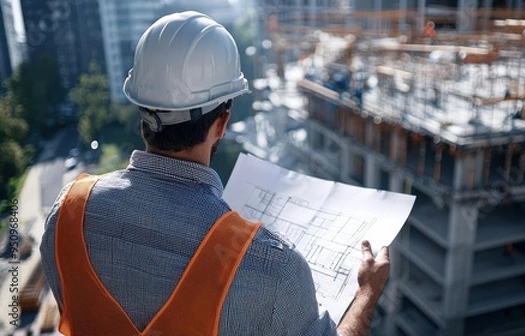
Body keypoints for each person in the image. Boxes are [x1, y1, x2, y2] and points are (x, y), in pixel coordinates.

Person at [40, 11, 389, 335]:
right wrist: (366, 294)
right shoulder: (274, 268)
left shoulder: (66, 218)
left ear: (142, 108)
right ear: (222, 123)